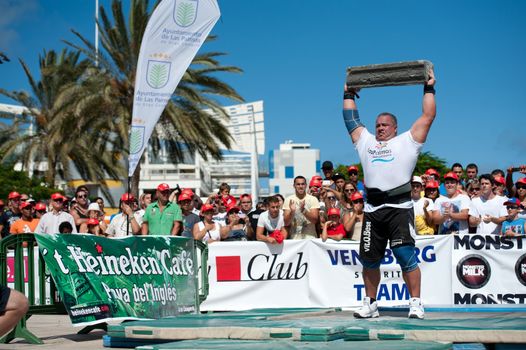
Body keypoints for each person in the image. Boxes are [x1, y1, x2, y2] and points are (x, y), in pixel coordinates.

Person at [343, 67, 436, 319]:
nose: (380, 128)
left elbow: (428, 115)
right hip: (373, 212)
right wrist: (348, 93)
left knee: (405, 255)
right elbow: (351, 120)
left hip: (399, 209)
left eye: (385, 125)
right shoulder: (366, 142)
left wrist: (428, 86)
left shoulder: (407, 141)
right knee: (369, 261)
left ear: (395, 127)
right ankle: (371, 304)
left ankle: (415, 302)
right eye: (377, 125)